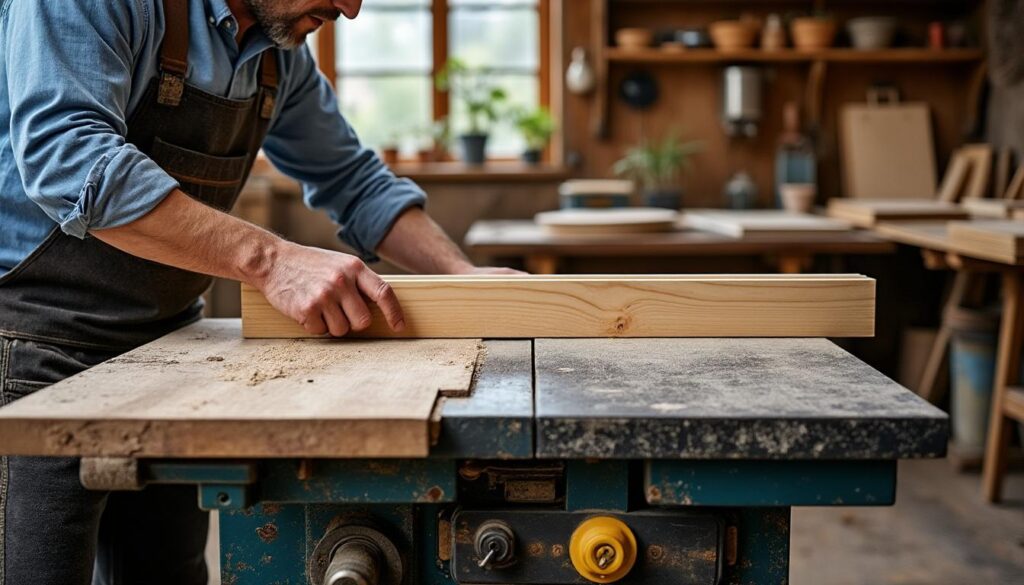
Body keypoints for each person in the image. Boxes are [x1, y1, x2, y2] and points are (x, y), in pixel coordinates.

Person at [0, 1, 516, 583]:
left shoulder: (277, 56)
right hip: (35, 344)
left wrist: (462, 275)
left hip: (164, 348)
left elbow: (352, 179)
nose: (351, 8)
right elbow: (67, 158)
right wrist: (272, 261)